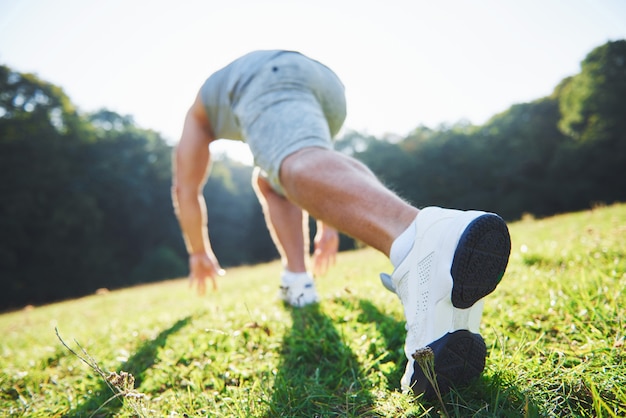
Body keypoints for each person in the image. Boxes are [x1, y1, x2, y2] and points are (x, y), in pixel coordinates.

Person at [171, 50, 511, 396]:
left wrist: (199, 253)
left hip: (266, 75)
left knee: (290, 161)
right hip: (327, 87)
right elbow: (321, 167)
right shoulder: (245, 101)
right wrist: (328, 226)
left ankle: (418, 238)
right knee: (271, 179)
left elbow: (186, 188)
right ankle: (298, 280)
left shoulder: (198, 116)